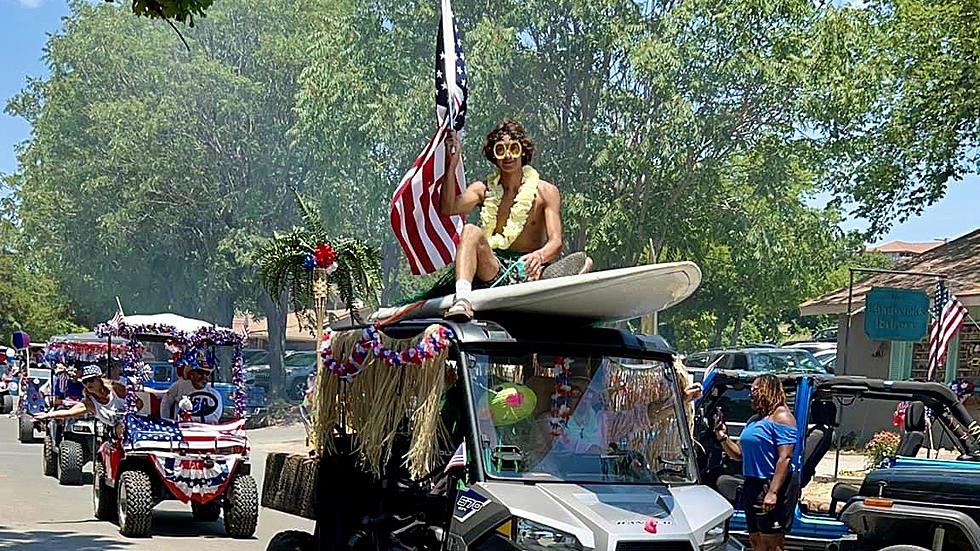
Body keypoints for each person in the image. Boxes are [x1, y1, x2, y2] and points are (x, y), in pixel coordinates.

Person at [439, 119, 592, 321]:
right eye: (501, 150)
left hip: (529, 271)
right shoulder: (482, 190)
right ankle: (462, 300)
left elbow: (556, 242)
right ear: (494, 156)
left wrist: (539, 257)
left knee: (586, 262)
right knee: (470, 231)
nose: (508, 156)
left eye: (513, 148)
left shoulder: (546, 192)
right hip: (493, 268)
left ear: (523, 151)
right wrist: (451, 165)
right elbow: (448, 208)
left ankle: (547, 282)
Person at [714, 374, 799, 551]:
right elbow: (738, 454)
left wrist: (773, 492)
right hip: (752, 484)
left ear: (767, 390)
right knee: (755, 541)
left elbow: (785, 458)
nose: (750, 395)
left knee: (771, 545)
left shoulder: (782, 417)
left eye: (754, 390)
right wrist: (722, 437)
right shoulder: (754, 420)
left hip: (771, 484)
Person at [33, 365, 128, 428]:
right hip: (115, 434)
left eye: (91, 380)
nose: (88, 384)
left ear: (100, 379)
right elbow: (69, 412)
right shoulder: (89, 403)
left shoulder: (115, 389)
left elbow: (138, 402)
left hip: (134, 425)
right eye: (84, 382)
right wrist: (48, 415)